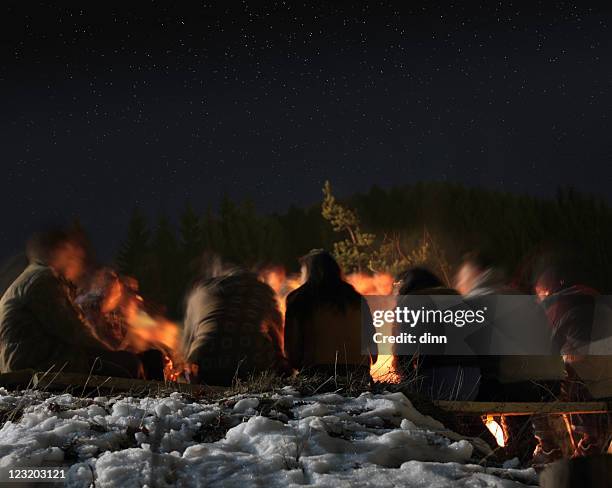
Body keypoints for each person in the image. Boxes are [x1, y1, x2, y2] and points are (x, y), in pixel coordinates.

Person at [456, 252, 566, 463]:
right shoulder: (525, 299)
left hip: (516, 386)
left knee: (461, 399)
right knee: (516, 389)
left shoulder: (475, 301)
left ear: (474, 273)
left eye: (462, 275)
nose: (460, 281)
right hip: (551, 386)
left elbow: (472, 356)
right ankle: (519, 456)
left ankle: (494, 456)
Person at [0, 228, 143, 378]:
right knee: (130, 363)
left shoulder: (33, 277)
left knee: (133, 360)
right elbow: (73, 330)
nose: (76, 260)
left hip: (26, 358)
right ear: (59, 252)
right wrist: (110, 353)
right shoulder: (42, 279)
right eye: (72, 254)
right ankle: (148, 398)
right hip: (35, 362)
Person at [536, 260, 612, 458]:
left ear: (545, 291)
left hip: (585, 370)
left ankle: (555, 446)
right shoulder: (593, 296)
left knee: (546, 383)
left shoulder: (553, 305)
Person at [182, 266, 288, 386]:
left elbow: (187, 341)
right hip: (253, 362)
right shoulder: (264, 290)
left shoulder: (201, 291)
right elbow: (277, 336)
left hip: (204, 362)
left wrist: (186, 364)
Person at [284, 249, 377, 380]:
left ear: (309, 272)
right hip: (357, 373)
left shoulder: (298, 298)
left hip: (317, 373)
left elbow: (291, 350)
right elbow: (373, 345)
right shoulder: (356, 298)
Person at [394, 267, 480, 401]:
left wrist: (405, 383)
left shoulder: (411, 301)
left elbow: (403, 356)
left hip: (439, 382)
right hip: (472, 383)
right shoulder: (459, 298)